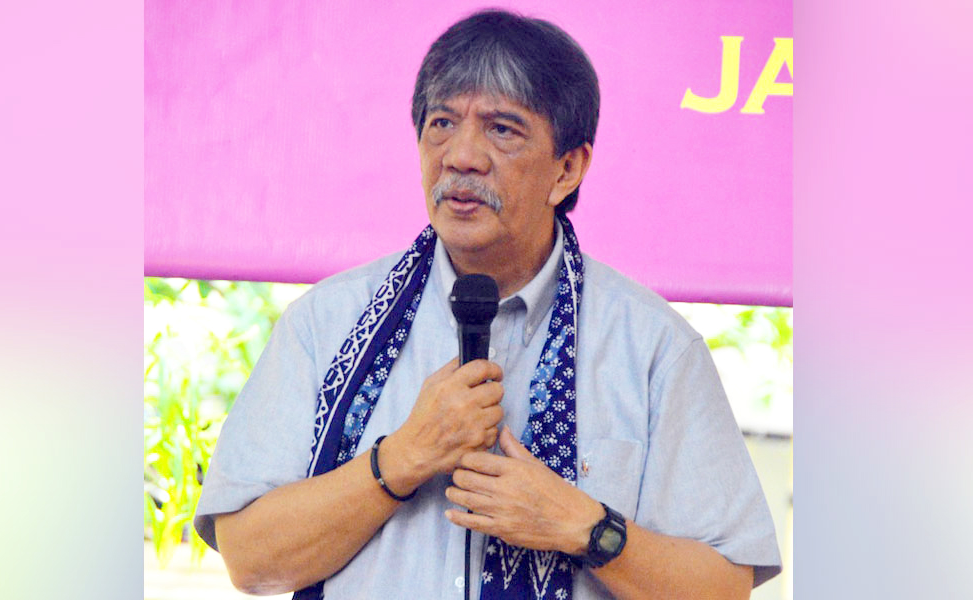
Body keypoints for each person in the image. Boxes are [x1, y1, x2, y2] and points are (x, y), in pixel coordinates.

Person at [194, 9, 781, 600]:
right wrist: (401, 459)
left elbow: (723, 587)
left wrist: (582, 526)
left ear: (568, 169)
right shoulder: (326, 323)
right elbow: (249, 560)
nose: (461, 156)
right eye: (441, 123)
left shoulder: (654, 347)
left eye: (502, 129)